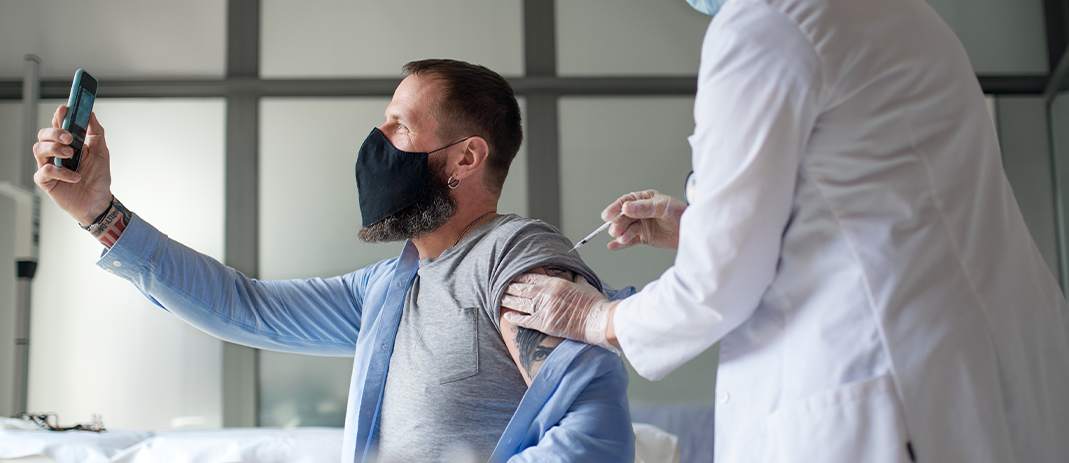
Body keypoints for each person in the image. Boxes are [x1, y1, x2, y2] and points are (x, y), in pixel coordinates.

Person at [501, 0, 1069, 462]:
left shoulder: (765, 23)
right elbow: (875, 204)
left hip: (876, 390)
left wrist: (596, 317)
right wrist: (695, 225)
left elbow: (719, 284)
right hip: (954, 367)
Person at [33, 59, 634, 463]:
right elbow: (244, 308)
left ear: (465, 158)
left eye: (399, 128)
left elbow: (593, 433)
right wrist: (99, 213)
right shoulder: (393, 287)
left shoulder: (514, 255)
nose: (377, 145)